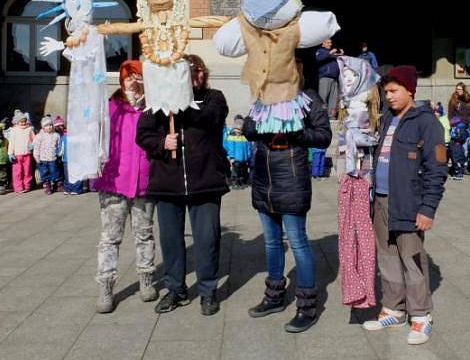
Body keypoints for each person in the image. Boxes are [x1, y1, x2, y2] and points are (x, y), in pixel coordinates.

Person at [136, 54, 229, 317]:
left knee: (207, 239)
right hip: (167, 183)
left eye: (197, 70)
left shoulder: (213, 98)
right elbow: (143, 135)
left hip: (205, 182)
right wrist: (162, 143)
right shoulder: (157, 102)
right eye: (188, 71)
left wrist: (181, 98)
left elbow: (211, 119)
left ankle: (208, 291)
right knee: (171, 241)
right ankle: (175, 289)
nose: (195, 75)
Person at [243, 58, 332, 333]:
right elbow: (247, 129)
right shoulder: (262, 99)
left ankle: (306, 306)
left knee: (298, 243)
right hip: (263, 180)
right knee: (272, 243)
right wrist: (262, 128)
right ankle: (274, 296)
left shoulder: (308, 99)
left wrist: (296, 133)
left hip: (292, 179)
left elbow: (323, 136)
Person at [363, 65, 447, 346]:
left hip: (410, 204)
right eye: (386, 91)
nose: (388, 96)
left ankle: (421, 315)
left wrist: (428, 209)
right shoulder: (387, 118)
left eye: (394, 91)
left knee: (412, 259)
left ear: (410, 89)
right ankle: (393, 308)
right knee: (386, 258)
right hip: (382, 202)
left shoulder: (427, 122)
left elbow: (436, 169)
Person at [91, 60, 157, 313]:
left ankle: (146, 278)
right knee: (110, 238)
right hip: (113, 183)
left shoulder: (153, 108)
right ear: (121, 81)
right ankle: (106, 286)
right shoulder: (109, 108)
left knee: (144, 234)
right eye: (128, 77)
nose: (133, 81)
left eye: (138, 76)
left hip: (144, 183)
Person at [8, 110, 36, 193]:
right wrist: (10, 153)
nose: (23, 123)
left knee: (27, 171)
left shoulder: (30, 129)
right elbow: (11, 143)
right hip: (17, 155)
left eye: (24, 121)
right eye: (21, 121)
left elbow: (34, 139)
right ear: (17, 122)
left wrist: (32, 145)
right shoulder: (14, 130)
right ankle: (18, 187)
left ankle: (27, 185)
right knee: (17, 172)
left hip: (27, 153)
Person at [33, 116, 61, 194]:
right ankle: (47, 185)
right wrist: (37, 158)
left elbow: (58, 146)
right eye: (47, 125)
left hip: (53, 158)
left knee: (54, 172)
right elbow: (36, 148)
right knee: (44, 173)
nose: (49, 127)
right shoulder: (39, 136)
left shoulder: (56, 135)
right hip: (43, 159)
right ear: (43, 127)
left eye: (51, 125)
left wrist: (59, 154)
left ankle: (56, 184)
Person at [316, 38, 343, 118]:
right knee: (323, 98)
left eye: (330, 43)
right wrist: (330, 53)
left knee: (333, 98)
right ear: (323, 44)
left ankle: (330, 115)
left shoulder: (331, 54)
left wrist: (341, 55)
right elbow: (319, 58)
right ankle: (321, 116)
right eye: (328, 43)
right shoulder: (320, 51)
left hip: (334, 78)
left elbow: (338, 59)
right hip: (325, 78)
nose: (330, 44)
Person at [223, 115, 252, 189]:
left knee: (243, 171)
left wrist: (248, 157)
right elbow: (231, 148)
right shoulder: (232, 137)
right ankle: (234, 183)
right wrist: (231, 157)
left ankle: (241, 182)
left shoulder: (244, 137)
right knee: (235, 172)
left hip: (244, 159)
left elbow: (248, 148)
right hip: (236, 159)